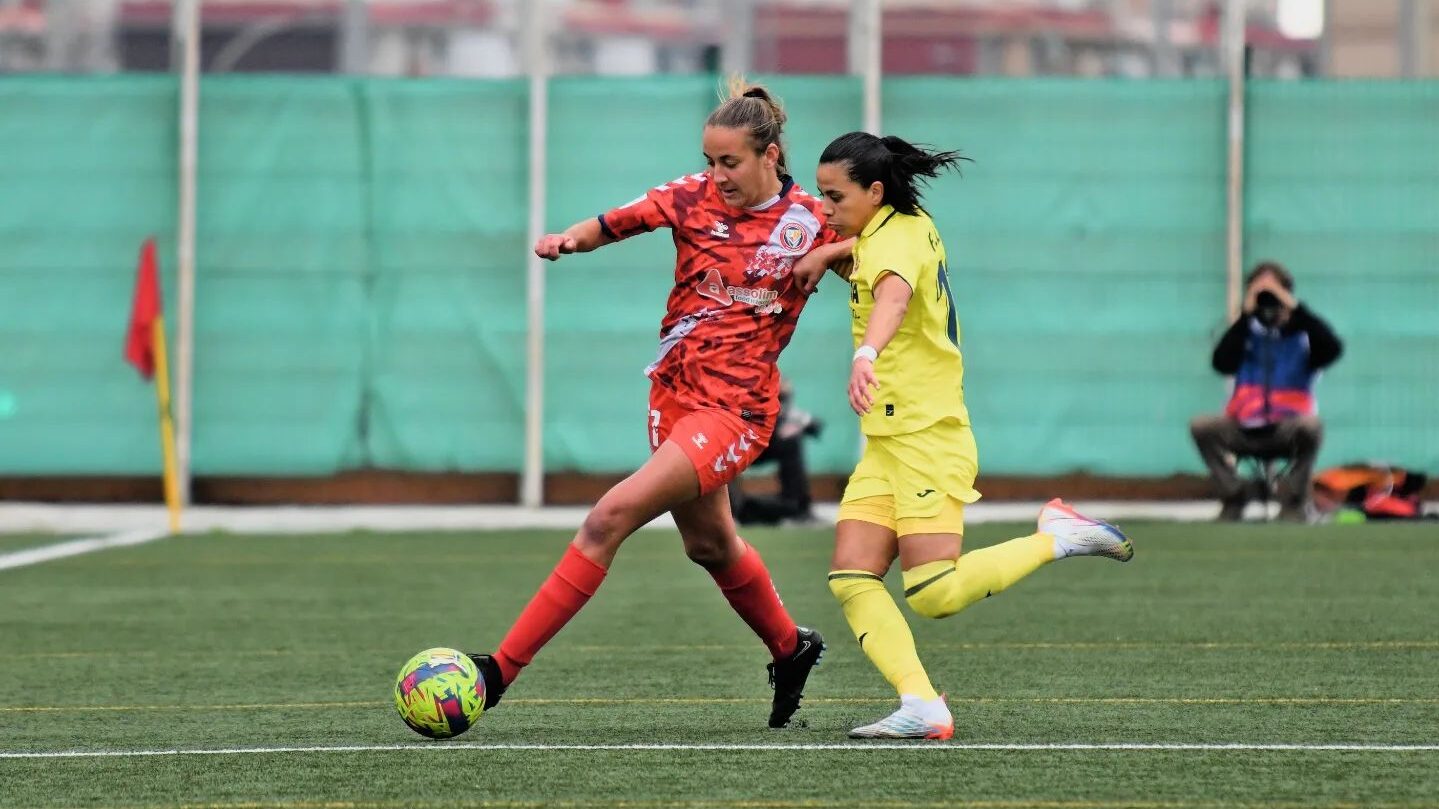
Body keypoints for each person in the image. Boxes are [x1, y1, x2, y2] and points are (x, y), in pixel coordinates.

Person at [465, 78, 840, 729]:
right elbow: (614, 222)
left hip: (735, 413)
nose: (715, 174)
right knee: (710, 545)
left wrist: (839, 249)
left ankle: (498, 671)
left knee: (606, 519)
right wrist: (571, 239)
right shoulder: (688, 196)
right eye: (709, 160)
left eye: (730, 161)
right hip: (672, 396)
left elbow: (894, 248)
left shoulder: (810, 220)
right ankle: (790, 647)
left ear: (770, 154)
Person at [792, 131, 1135, 740]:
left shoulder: (894, 240)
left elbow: (893, 296)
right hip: (888, 441)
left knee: (933, 593)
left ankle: (1055, 539)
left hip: (927, 435)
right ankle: (921, 704)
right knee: (851, 575)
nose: (825, 207)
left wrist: (866, 352)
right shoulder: (901, 222)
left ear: (874, 191)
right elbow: (873, 258)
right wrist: (829, 254)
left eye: (834, 196)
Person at [1189, 261, 1343, 522]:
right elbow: (1221, 362)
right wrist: (1246, 316)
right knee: (1202, 426)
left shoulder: (1304, 335)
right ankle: (1236, 494)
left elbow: (1331, 349)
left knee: (1312, 427)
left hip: (1288, 427)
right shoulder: (1245, 334)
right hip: (1245, 426)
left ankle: (1293, 499)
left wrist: (1294, 308)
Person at [730, 376, 823, 526]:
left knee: (791, 442)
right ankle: (732, 509)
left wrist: (794, 424)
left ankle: (798, 508)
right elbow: (740, 413)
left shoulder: (786, 413)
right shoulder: (742, 400)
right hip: (732, 447)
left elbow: (815, 425)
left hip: (759, 446)